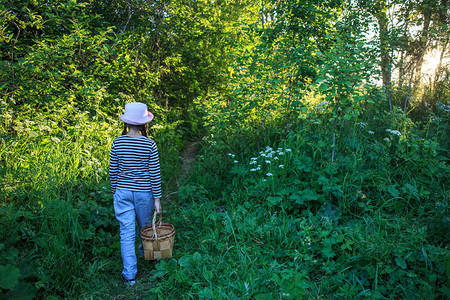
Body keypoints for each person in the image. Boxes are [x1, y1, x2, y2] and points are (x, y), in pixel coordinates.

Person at [109, 102, 162, 286]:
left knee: (126, 232)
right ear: (144, 123)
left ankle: (129, 274)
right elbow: (154, 173)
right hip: (143, 193)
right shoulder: (149, 145)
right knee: (145, 226)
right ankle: (145, 252)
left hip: (122, 192)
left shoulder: (117, 142)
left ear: (127, 122)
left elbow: (113, 171)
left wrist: (115, 191)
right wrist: (157, 199)